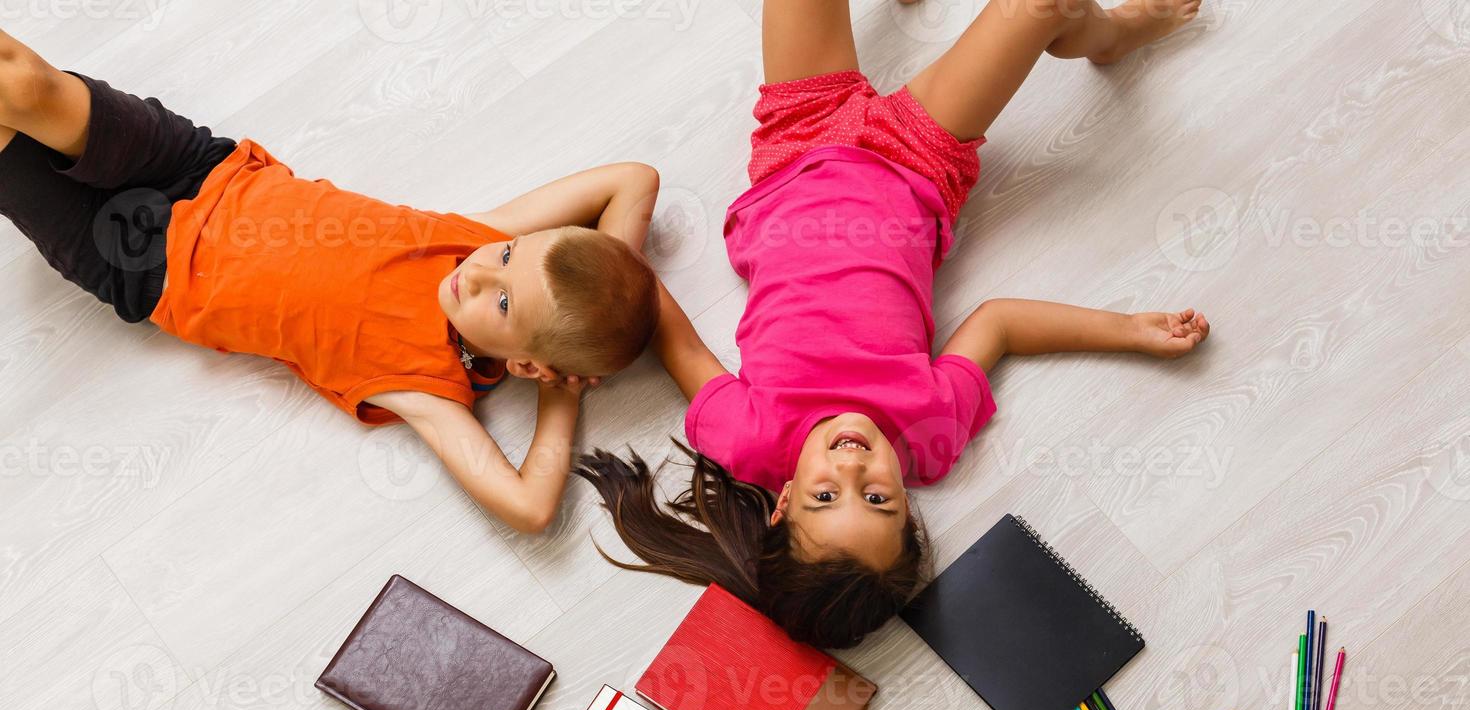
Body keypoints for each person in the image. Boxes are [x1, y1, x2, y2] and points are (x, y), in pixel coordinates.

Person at [580, 0, 1210, 647]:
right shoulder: (928, 437)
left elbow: (669, 330)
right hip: (918, 160)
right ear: (909, 511)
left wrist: (590, 302)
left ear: (782, 506)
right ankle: (1109, 38)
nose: (854, 471)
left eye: (827, 498)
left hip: (796, 143)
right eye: (878, 500)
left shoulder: (748, 439)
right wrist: (1127, 329)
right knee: (1047, 6)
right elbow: (997, 325)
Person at [0, 30, 660, 533]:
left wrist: (562, 391)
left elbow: (531, 508)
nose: (482, 272)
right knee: (25, 88)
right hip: (197, 168)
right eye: (511, 254)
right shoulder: (476, 238)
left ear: (523, 360)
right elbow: (634, 179)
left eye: (506, 300)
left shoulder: (429, 390)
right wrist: (591, 296)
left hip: (137, 267)